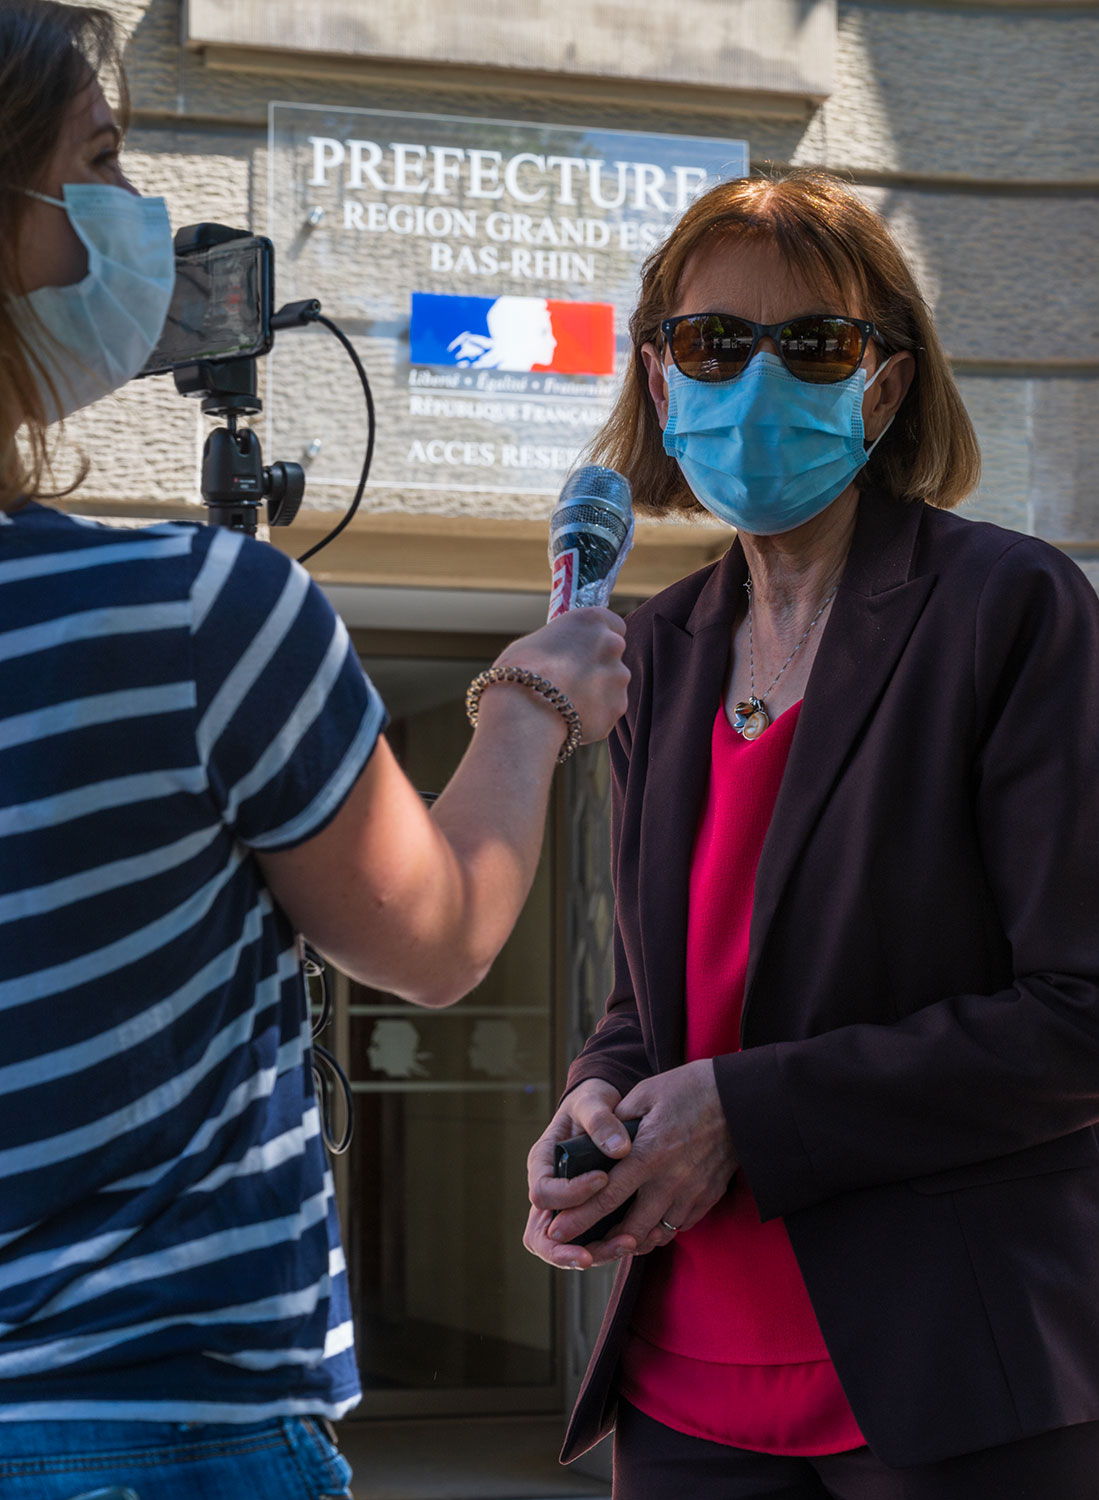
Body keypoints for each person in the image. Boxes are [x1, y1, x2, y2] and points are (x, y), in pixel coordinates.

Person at [0, 4, 628, 1496]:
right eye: (95, 166)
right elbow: (437, 934)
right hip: (158, 1428)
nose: (135, 220)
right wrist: (532, 705)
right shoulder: (194, 611)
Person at [523, 170, 1099, 1500]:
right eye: (715, 342)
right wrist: (599, 1093)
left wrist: (745, 1115)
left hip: (957, 1370)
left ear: (881, 387)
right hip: (687, 1384)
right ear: (662, 383)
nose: (757, 382)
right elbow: (658, 1001)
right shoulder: (655, 647)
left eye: (813, 344)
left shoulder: (1007, 609)